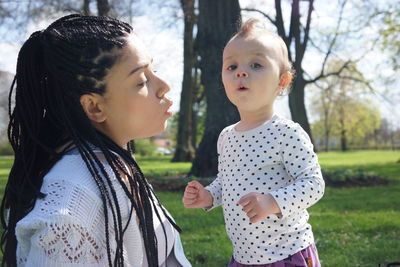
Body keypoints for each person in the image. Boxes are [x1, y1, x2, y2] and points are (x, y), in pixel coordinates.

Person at [1, 14, 191, 267]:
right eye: (141, 80)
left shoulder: (111, 164)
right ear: (94, 107)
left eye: (153, 70)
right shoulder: (68, 210)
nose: (164, 85)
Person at [182, 18, 325, 267]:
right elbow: (228, 181)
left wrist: (273, 201)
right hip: (244, 257)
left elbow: (313, 184)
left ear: (282, 81)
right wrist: (208, 196)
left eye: (256, 64)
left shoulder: (286, 132)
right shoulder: (227, 136)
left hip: (287, 253)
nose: (241, 71)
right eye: (231, 66)